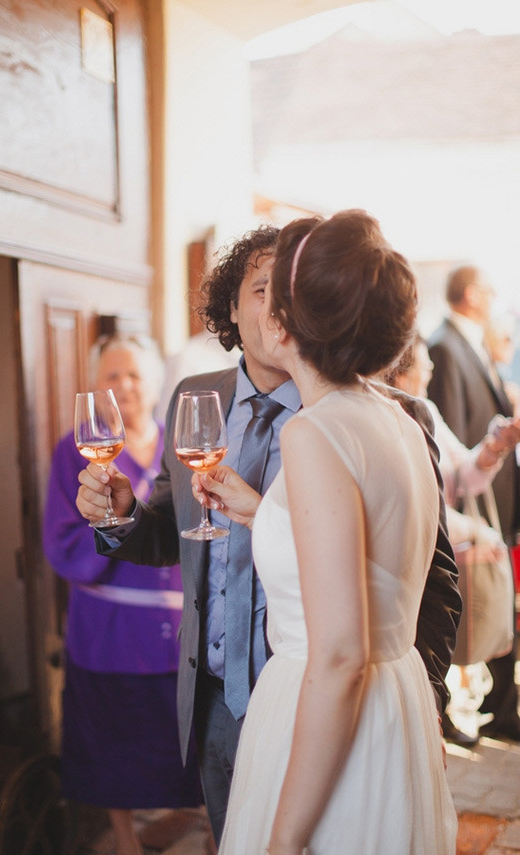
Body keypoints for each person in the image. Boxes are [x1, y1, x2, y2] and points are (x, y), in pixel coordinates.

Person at [75, 225, 461, 846]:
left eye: (285, 290)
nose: (272, 306)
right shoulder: (195, 398)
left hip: (329, 696)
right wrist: (121, 517)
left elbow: (432, 576)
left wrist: (422, 703)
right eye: (261, 288)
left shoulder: (367, 419)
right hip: (218, 702)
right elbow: (179, 530)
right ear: (234, 306)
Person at [192, 210, 457, 854]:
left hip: (331, 712)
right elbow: (374, 557)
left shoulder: (312, 433)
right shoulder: (388, 419)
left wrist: (284, 838)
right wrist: (264, 513)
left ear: (285, 320)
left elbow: (338, 656)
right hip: (392, 703)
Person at [43, 335, 202, 855]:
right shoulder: (74, 452)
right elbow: (62, 540)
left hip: (178, 632)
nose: (125, 386)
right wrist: (112, 536)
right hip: (109, 633)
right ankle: (124, 839)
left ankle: (193, 825)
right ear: (96, 388)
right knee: (111, 743)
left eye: (134, 375)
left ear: (156, 384)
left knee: (183, 743)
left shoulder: (182, 442)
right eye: (112, 377)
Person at [385, 335, 520, 745]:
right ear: (400, 373)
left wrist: (493, 448)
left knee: (435, 638)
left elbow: (463, 474)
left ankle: (435, 717)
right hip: (409, 550)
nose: (429, 374)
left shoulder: (426, 411)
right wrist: (477, 530)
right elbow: (421, 504)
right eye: (422, 368)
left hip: (438, 548)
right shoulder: (391, 418)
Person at [428, 266, 520, 741]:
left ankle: (500, 705)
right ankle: (444, 712)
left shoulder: (474, 342)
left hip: (483, 491)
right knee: (450, 615)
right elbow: (446, 443)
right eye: (486, 288)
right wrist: (468, 521)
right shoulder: (443, 346)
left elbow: (465, 450)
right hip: (460, 510)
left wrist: (496, 446)